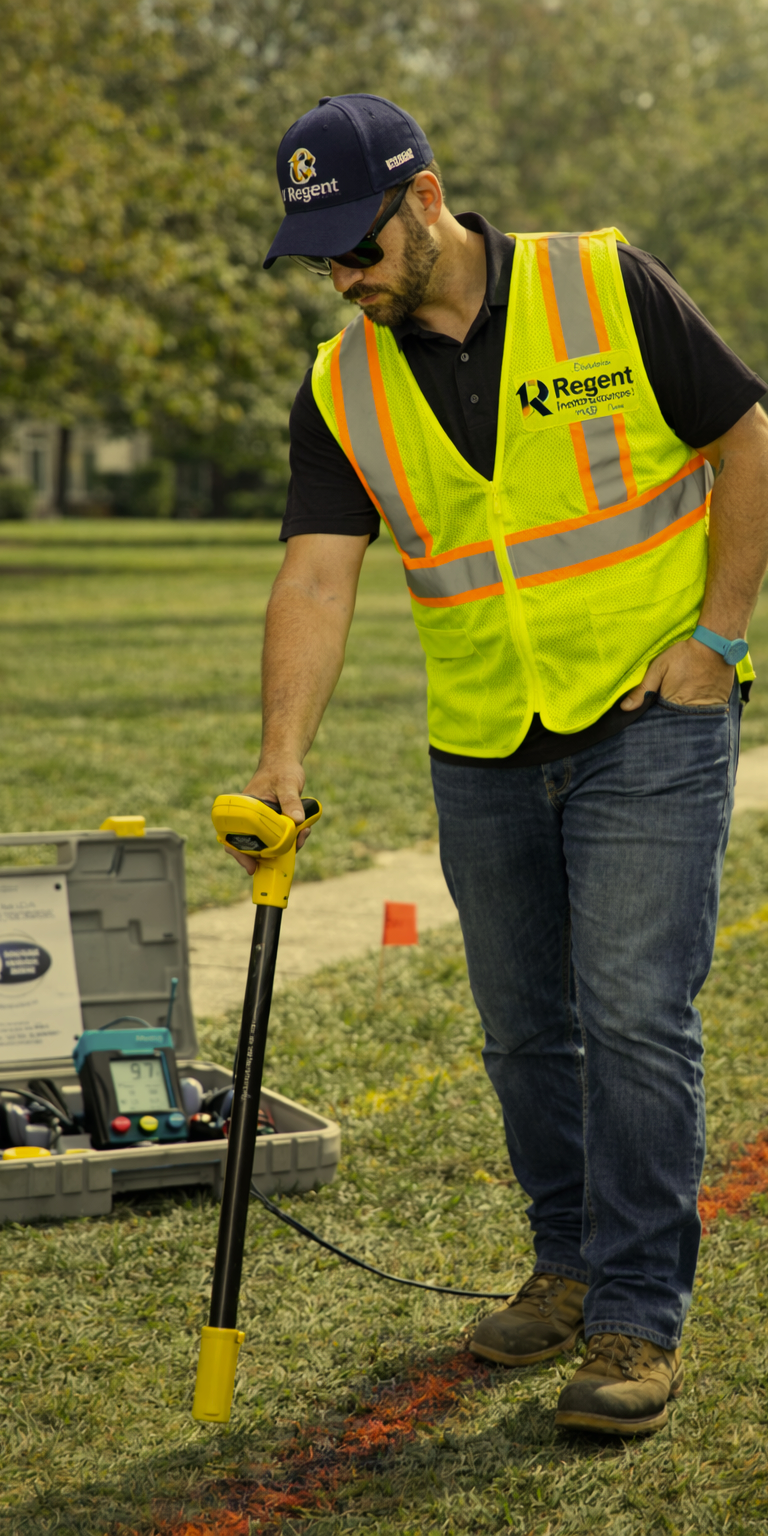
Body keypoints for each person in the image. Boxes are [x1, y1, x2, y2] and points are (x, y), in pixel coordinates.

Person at [229, 93, 768, 1436]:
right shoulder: (340, 381)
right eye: (322, 259)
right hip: (481, 740)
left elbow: (748, 436)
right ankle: (571, 1265)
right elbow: (315, 573)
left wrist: (717, 637)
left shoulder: (604, 283)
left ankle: (639, 1316)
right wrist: (279, 755)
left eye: (358, 245)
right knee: (528, 1027)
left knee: (636, 1012)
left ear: (426, 199)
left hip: (650, 712)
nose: (345, 279)